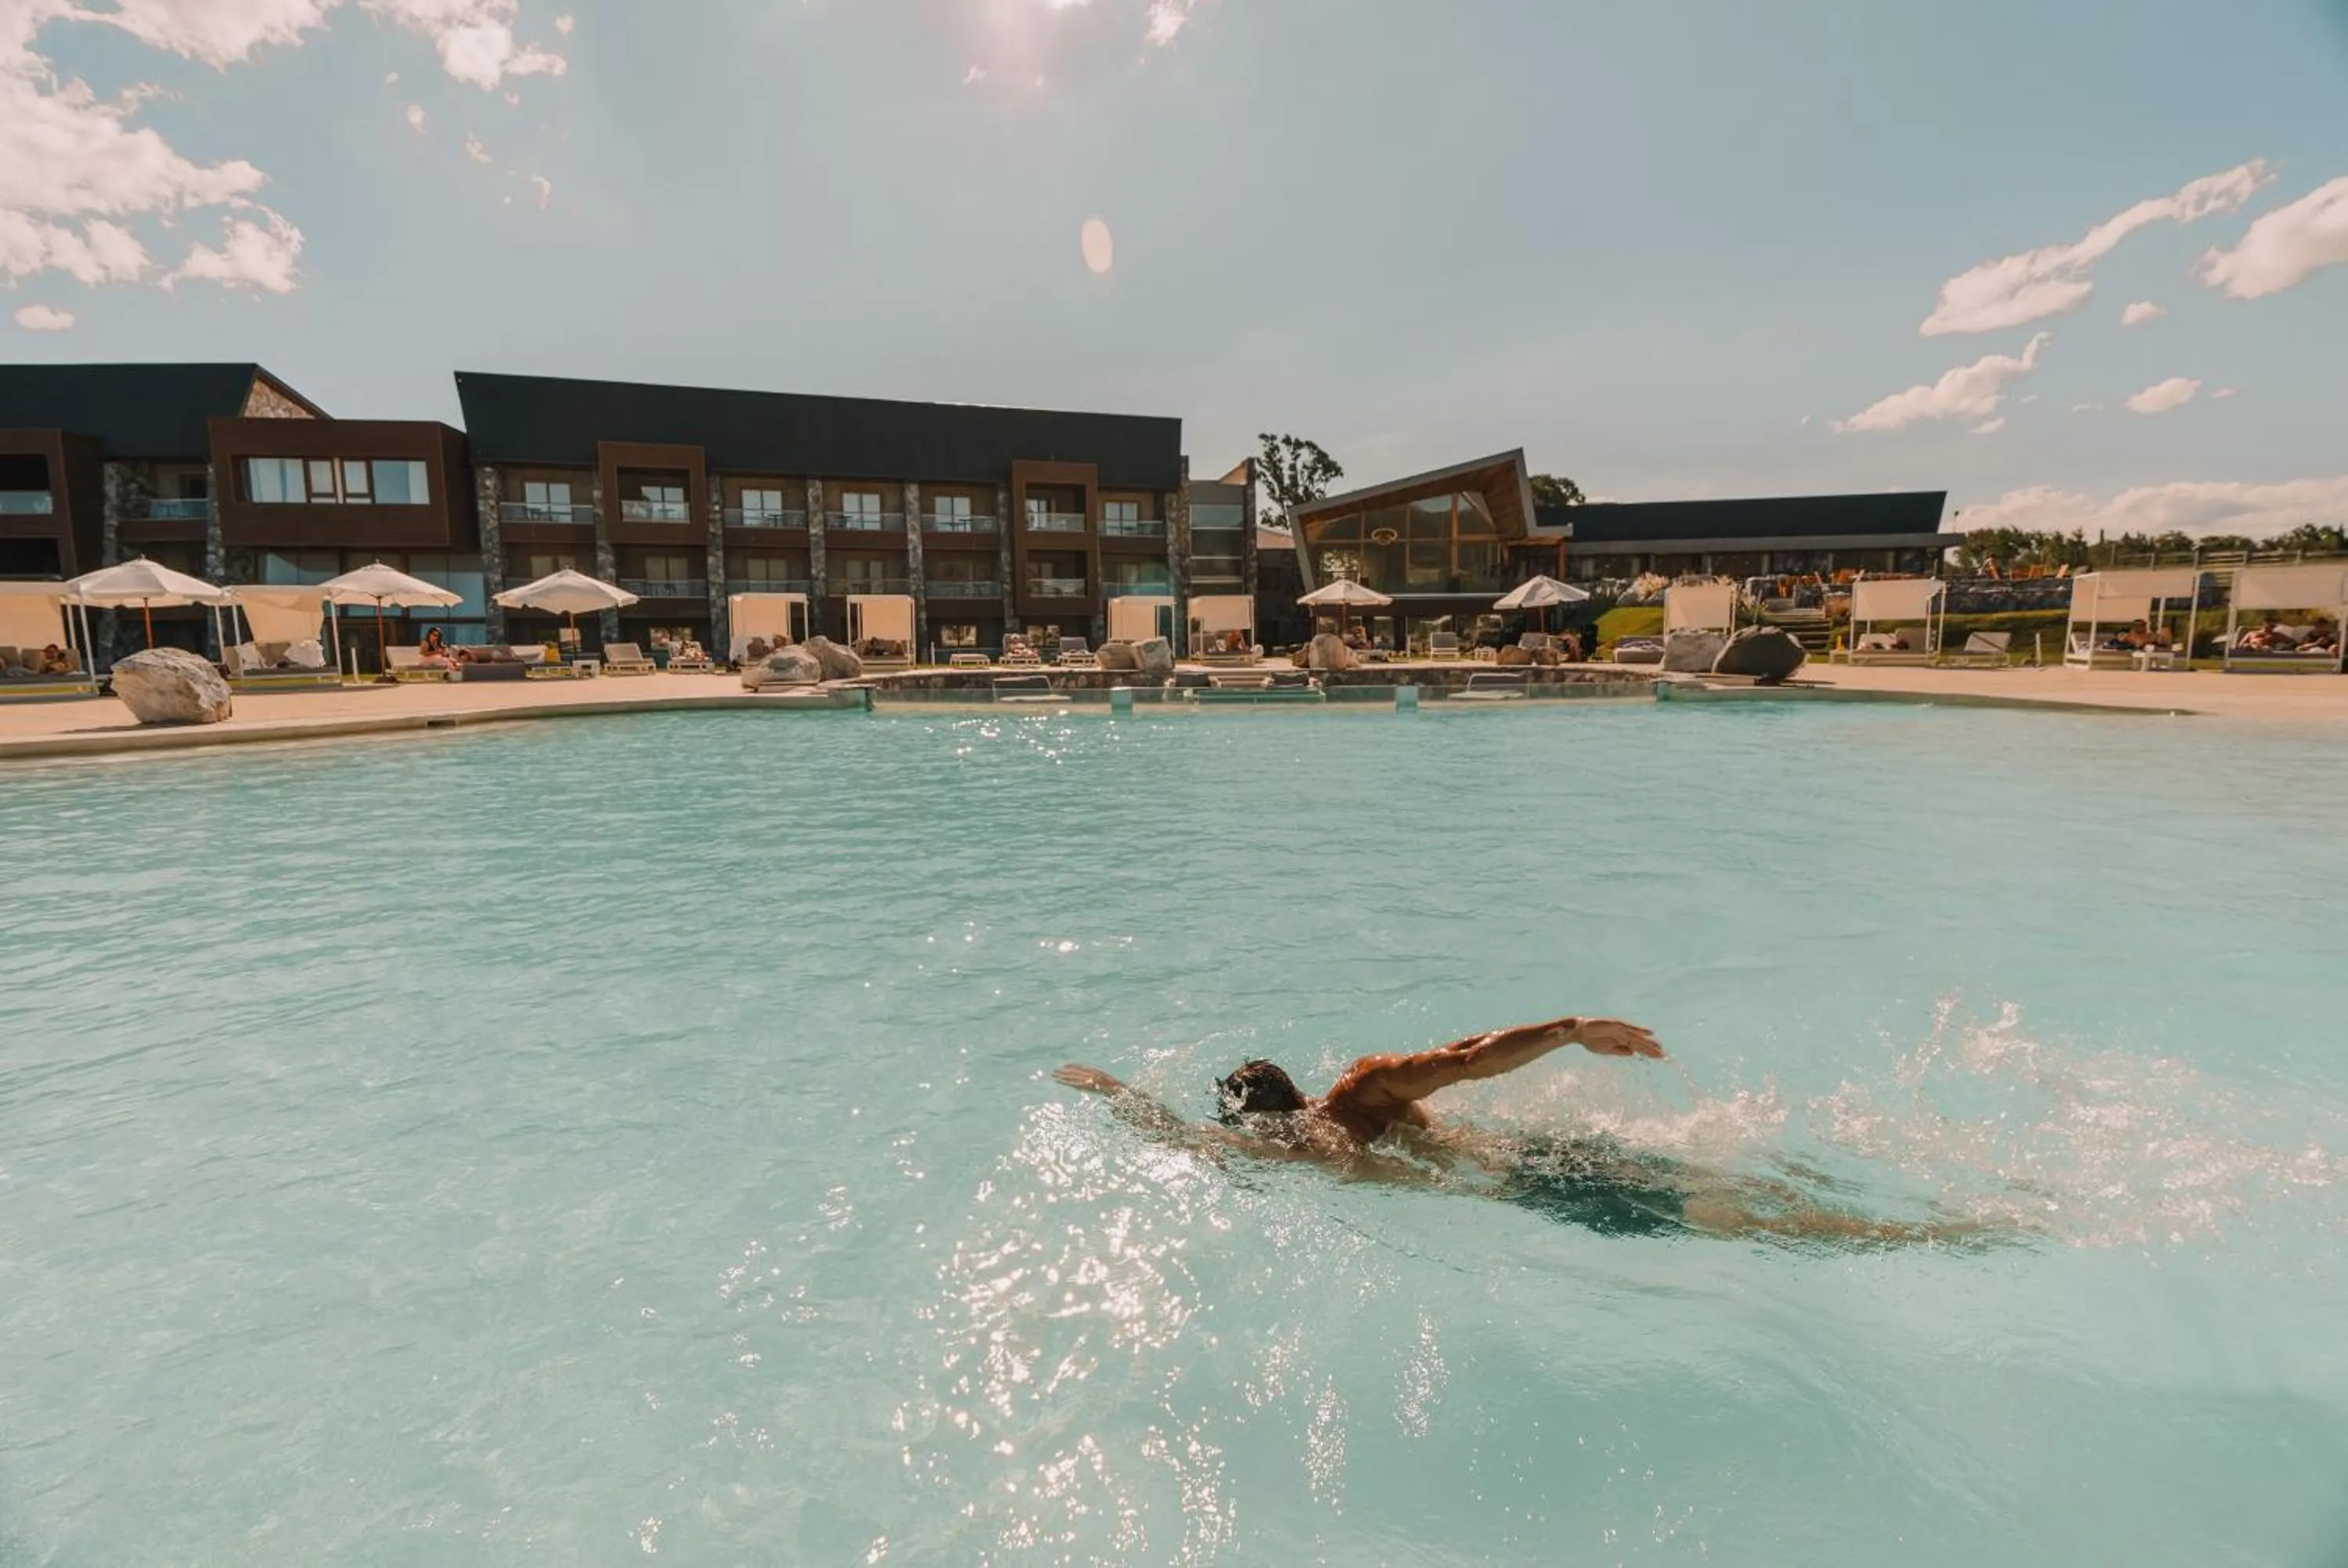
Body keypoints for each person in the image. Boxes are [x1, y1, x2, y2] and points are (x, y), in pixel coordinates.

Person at [1055, 1014, 2001, 1246]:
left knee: (1764, 1227)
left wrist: (1108, 1088)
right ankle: (1952, 1217)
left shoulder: (1287, 1143)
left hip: (1537, 1192)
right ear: (1294, 1087)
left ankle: (1940, 1232)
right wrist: (1570, 1028)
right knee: (1762, 1201)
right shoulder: (1350, 1099)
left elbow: (1167, 1133)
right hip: (1548, 1169)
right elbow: (1467, 1060)